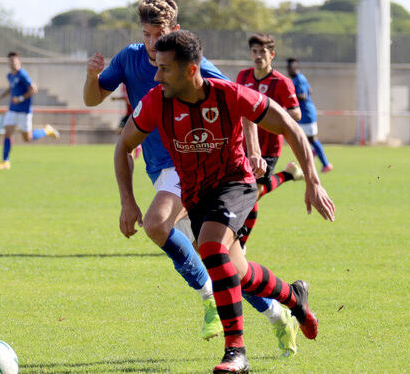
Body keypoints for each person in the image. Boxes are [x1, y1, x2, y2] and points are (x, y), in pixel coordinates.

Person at [114, 30, 335, 373]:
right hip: (197, 194)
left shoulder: (228, 95)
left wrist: (314, 181)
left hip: (236, 184)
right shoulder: (157, 101)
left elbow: (290, 125)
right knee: (240, 273)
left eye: (164, 69)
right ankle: (295, 299)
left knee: (211, 249)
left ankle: (236, 351)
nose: (156, 76)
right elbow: (123, 146)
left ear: (190, 70)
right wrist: (128, 202)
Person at [84, 0, 284, 349]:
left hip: (194, 163)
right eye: (146, 35)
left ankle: (208, 297)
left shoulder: (191, 64)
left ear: (174, 32)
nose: (151, 43)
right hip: (160, 169)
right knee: (228, 266)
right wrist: (91, 77)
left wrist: (252, 149)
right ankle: (276, 314)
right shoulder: (128, 58)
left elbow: (244, 102)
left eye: (158, 35)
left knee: (157, 224)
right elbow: (92, 99)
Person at [235, 34, 304, 254]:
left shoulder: (282, 82)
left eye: (262, 52)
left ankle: (241, 244)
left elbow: (296, 113)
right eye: (254, 52)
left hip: (269, 149)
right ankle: (289, 175)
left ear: (271, 55)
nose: (258, 56)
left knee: (253, 193)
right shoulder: (243, 76)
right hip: (243, 146)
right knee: (246, 192)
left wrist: (270, 115)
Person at [0, 51, 59, 170]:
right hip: (12, 110)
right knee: (7, 133)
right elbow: (11, 88)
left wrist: (20, 98)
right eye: (10, 60)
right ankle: (5, 161)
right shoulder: (10, 76)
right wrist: (0, 97)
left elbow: (34, 89)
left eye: (14, 60)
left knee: (27, 138)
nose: (12, 62)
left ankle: (47, 131)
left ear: (19, 61)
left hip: (24, 111)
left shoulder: (22, 74)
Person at [287, 58, 333, 172]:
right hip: (302, 114)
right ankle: (311, 155)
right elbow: (310, 91)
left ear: (296, 68)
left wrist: (290, 96)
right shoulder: (298, 79)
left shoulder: (299, 79)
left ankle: (325, 164)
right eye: (288, 67)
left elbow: (303, 95)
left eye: (291, 67)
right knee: (302, 139)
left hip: (307, 114)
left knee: (311, 139)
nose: (289, 70)